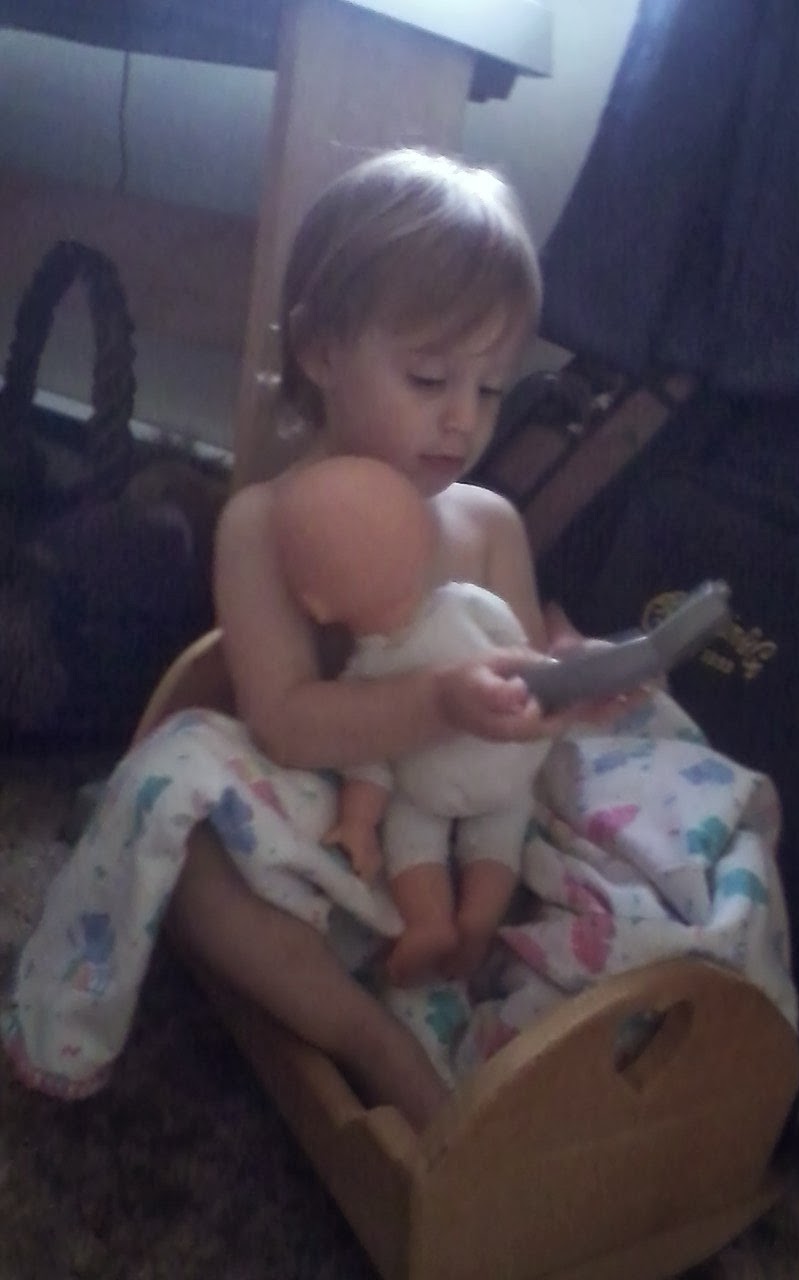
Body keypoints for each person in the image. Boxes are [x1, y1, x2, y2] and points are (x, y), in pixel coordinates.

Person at [165, 147, 614, 1131]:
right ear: (321, 351)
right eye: (429, 376)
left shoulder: (486, 521)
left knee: (627, 815)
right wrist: (438, 699)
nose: (462, 419)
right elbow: (283, 722)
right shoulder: (263, 523)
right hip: (332, 834)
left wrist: (569, 677)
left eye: (490, 389)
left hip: (469, 832)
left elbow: (523, 683)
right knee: (181, 838)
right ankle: (370, 1039)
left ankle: (495, 973)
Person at [272, 454, 553, 987]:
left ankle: (430, 921)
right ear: (425, 545)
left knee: (409, 837)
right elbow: (522, 652)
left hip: (436, 784)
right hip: (508, 765)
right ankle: (476, 920)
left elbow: (369, 758)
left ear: (316, 605)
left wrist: (358, 824)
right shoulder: (466, 604)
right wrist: (547, 681)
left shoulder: (362, 675)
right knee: (499, 831)